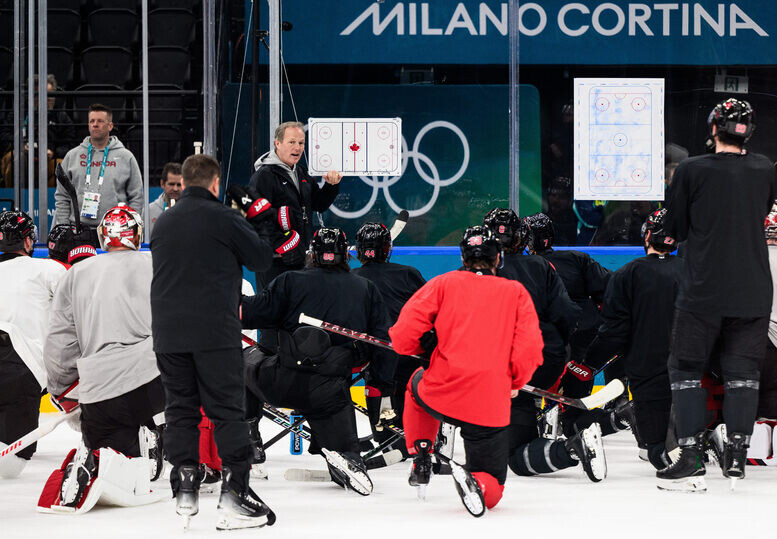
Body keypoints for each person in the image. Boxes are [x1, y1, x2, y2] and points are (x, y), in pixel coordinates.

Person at [151, 154, 276, 530]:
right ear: (215, 183)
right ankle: (235, 492)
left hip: (169, 334)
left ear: (184, 181)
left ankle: (185, 486)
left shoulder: (163, 221)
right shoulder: (225, 218)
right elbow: (261, 258)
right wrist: (259, 217)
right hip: (215, 333)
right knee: (227, 412)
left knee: (180, 410)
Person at [660, 98, 777, 492]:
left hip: (702, 290)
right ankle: (737, 457)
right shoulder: (764, 169)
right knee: (743, 372)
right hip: (753, 290)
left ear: (713, 128)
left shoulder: (691, 170)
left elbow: (674, 228)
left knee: (685, 368)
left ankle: (691, 456)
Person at [389, 226, 544, 515]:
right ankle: (479, 484)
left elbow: (401, 337)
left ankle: (421, 452)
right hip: (489, 404)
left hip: (442, 391)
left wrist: (423, 351)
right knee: (493, 488)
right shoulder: (515, 292)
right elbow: (530, 349)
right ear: (498, 258)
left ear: (462, 257)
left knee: (414, 386)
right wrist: (514, 381)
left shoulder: (442, 284)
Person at [241, 227, 394, 496]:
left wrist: (218, 295)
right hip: (330, 394)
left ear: (312, 253)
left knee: (242, 360)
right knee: (347, 454)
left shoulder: (289, 281)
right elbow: (382, 344)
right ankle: (346, 455)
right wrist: (381, 385)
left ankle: (249, 433)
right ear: (346, 254)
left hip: (280, 383)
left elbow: (249, 313)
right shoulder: (365, 289)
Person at [43, 204, 165, 509]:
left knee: (113, 455)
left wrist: (62, 389)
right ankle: (156, 430)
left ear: (102, 237)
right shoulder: (158, 264)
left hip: (100, 389)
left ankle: (93, 458)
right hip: (155, 385)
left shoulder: (76, 274)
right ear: (137, 235)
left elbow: (59, 344)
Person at [481, 209, 607, 483]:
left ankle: (571, 446)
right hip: (546, 363)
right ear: (520, 238)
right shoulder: (541, 266)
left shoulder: (472, 275)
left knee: (514, 452)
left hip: (501, 371)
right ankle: (583, 433)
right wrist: (558, 348)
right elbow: (568, 314)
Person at [572, 209, 685, 471]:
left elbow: (614, 332)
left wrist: (590, 363)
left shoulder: (627, 274)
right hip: (690, 369)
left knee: (655, 448)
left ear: (647, 235)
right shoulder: (694, 272)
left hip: (648, 370)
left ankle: (674, 461)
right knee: (686, 433)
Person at [249, 121, 343, 351]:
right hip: (274, 262)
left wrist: (331, 186)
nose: (298, 147)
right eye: (292, 142)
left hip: (299, 258)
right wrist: (283, 247)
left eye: (301, 143)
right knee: (274, 315)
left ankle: (297, 364)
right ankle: (269, 362)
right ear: (277, 143)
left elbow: (317, 205)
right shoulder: (264, 176)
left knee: (299, 315)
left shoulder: (299, 172)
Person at [0, 210, 66, 479]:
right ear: (28, 241)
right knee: (12, 463)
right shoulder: (47, 269)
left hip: (19, 366)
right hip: (23, 369)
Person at [352, 222, 426, 453]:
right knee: (407, 379)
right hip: (409, 354)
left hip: (372, 357)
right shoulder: (408, 274)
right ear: (387, 249)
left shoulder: (351, 278)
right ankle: (413, 434)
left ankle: (384, 434)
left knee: (377, 376)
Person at [54, 104, 143, 248]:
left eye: (100, 121)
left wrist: (129, 228)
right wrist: (65, 227)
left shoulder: (126, 157)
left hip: (114, 233)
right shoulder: (72, 156)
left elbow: (136, 196)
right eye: (92, 121)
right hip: (78, 231)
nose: (95, 124)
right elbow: (62, 196)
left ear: (110, 126)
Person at [0, 74, 75, 188]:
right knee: (12, 157)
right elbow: (4, 135)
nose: (43, 100)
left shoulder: (62, 117)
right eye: (38, 96)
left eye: (48, 96)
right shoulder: (18, 114)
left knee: (62, 165)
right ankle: (13, 196)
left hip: (50, 161)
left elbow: (70, 143)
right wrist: (21, 146)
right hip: (23, 157)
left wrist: (53, 152)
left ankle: (51, 199)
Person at [146, 162, 183, 240]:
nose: (175, 189)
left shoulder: (191, 211)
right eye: (171, 184)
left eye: (179, 185)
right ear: (162, 184)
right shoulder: (149, 211)